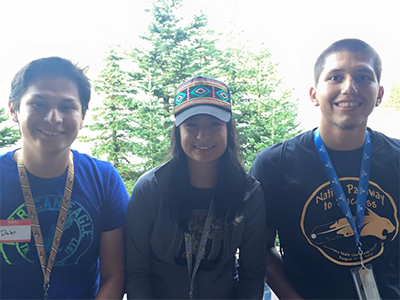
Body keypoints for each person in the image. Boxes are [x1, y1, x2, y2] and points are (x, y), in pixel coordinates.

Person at [251, 38, 400, 300]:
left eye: (363, 76)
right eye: (335, 77)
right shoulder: (274, 165)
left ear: (379, 94)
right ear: (314, 95)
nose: (349, 87)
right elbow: (261, 249)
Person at [126, 76, 266, 300]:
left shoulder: (248, 193)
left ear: (228, 130)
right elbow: (136, 272)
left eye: (214, 124)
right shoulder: (150, 189)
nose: (203, 135)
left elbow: (253, 273)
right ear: (178, 130)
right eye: (191, 125)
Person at [0, 57, 129, 300]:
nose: (53, 118)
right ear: (13, 110)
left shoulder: (104, 180)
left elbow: (114, 276)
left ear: (82, 116)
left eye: (67, 107)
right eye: (38, 103)